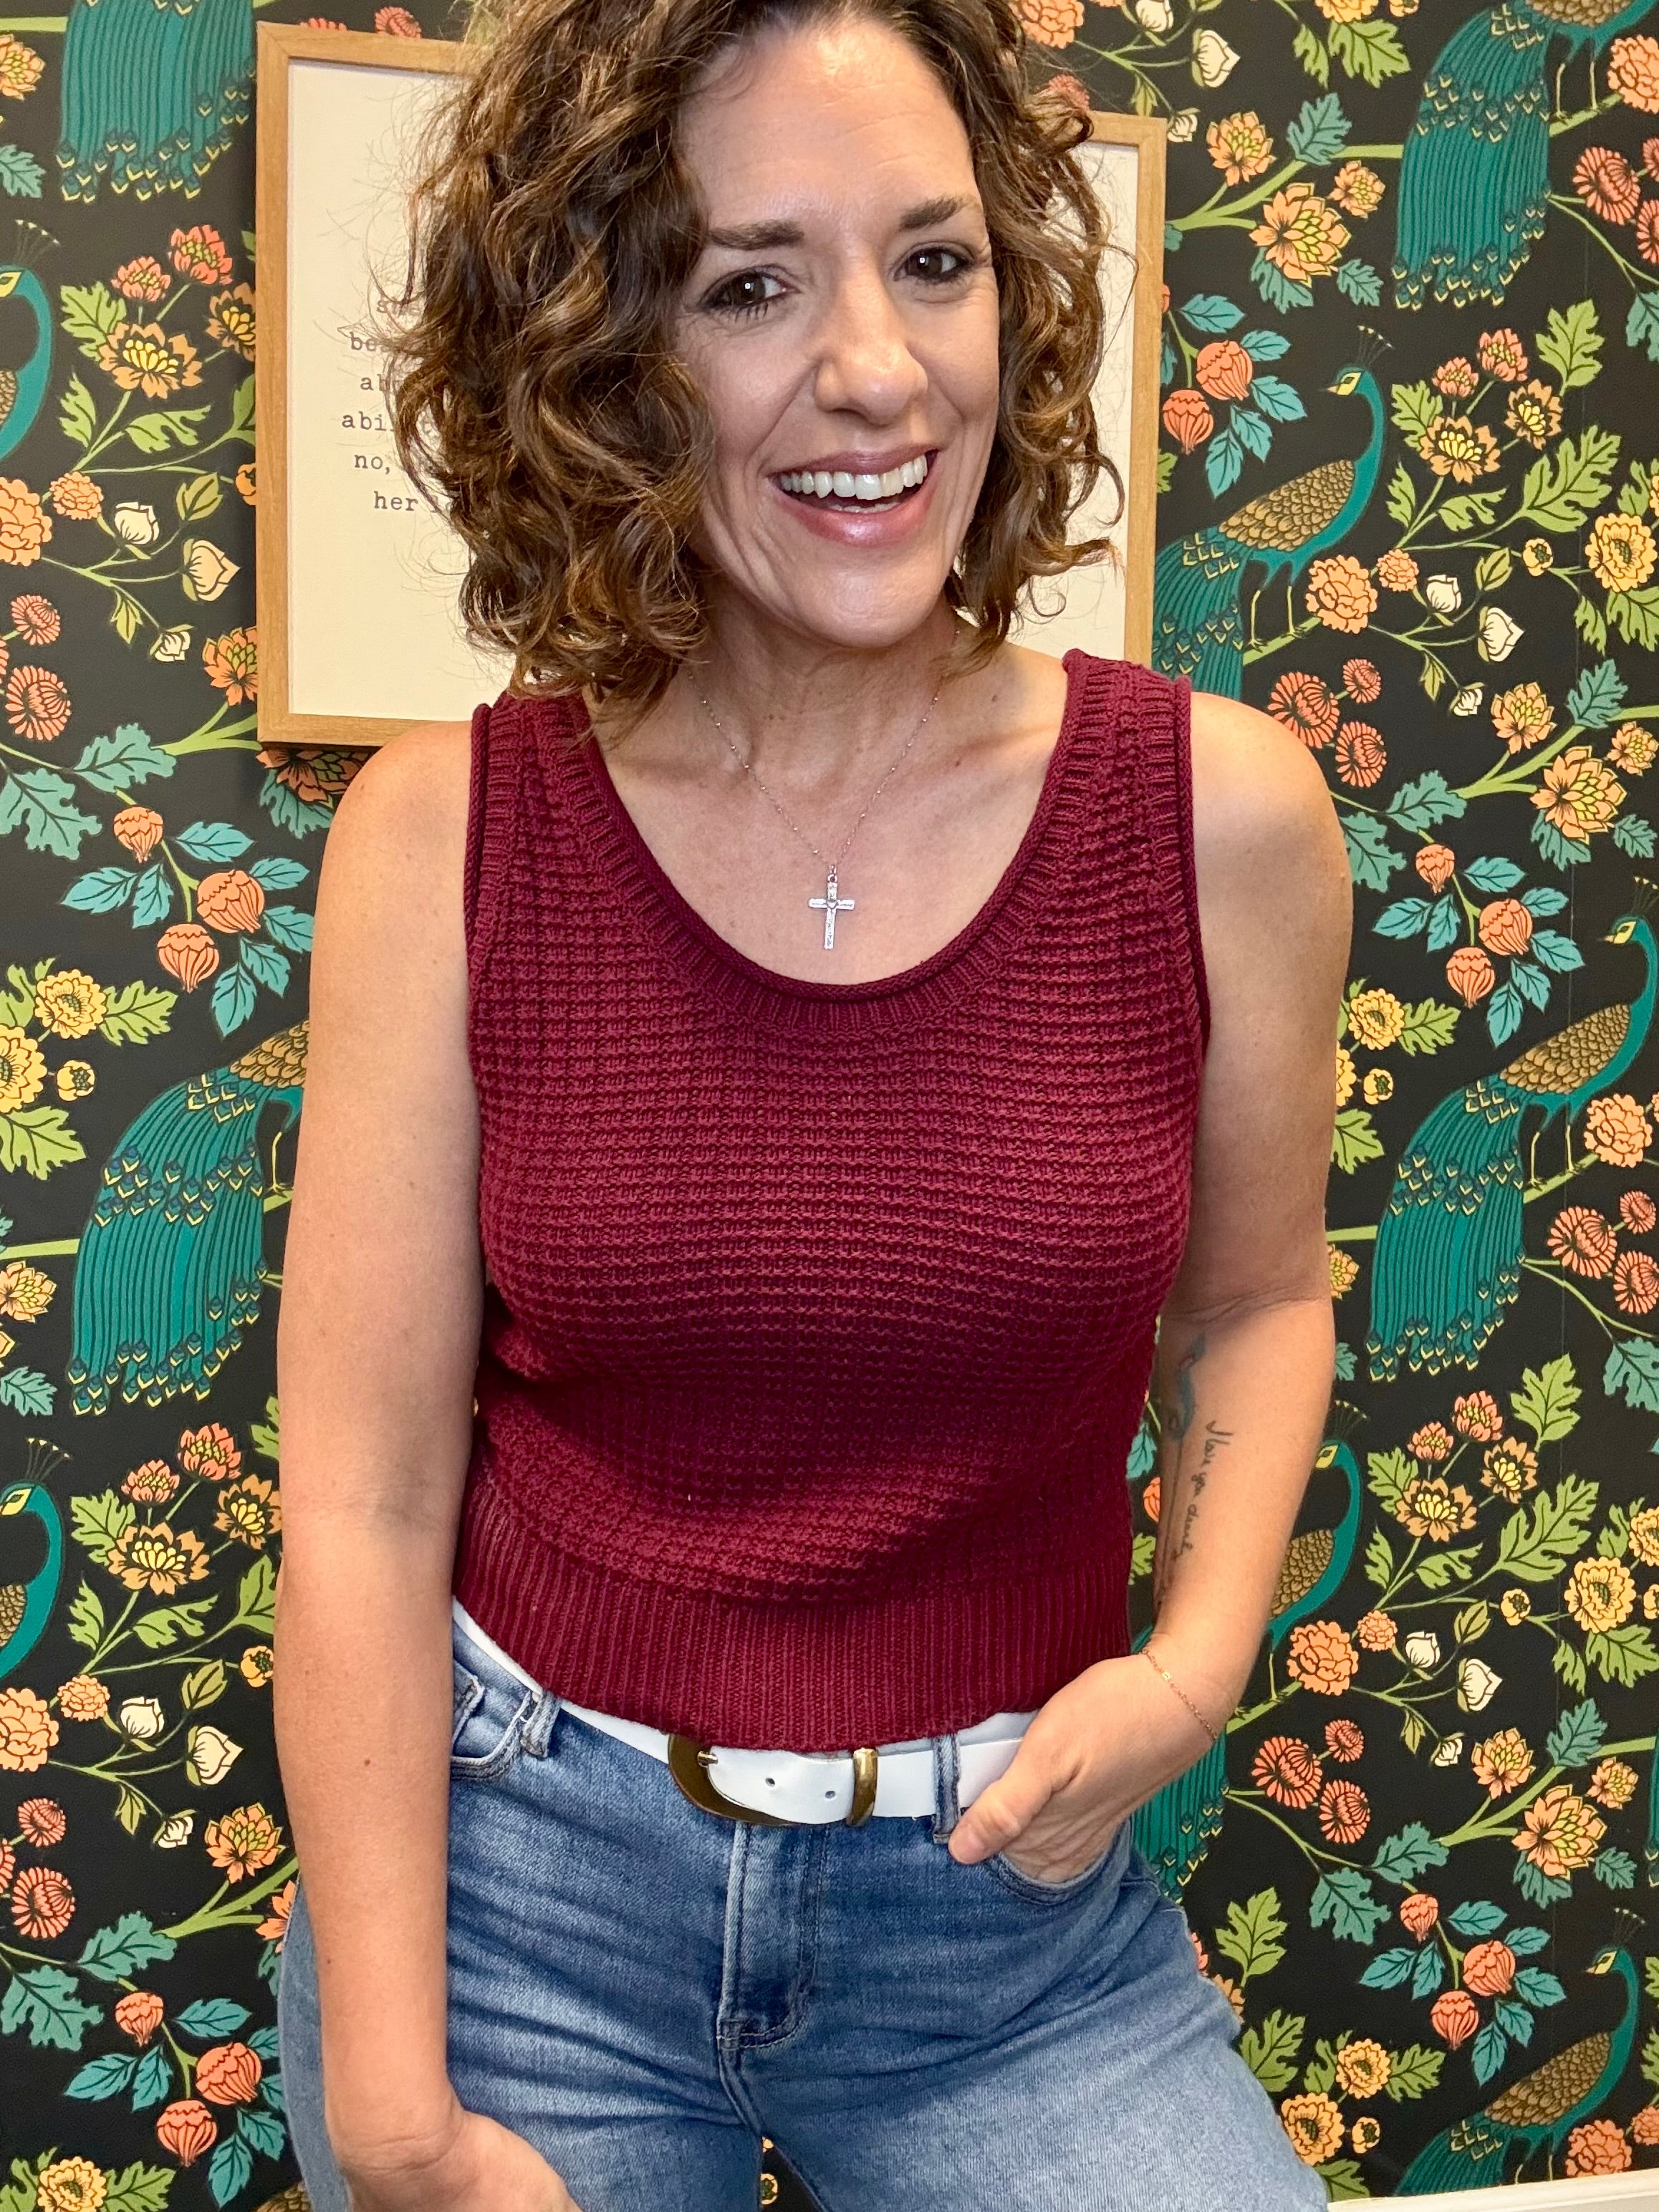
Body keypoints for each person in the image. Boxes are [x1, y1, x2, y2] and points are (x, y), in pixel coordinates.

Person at [271, 0, 1350, 2205]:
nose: (877, 370)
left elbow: (1254, 1302)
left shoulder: (1216, 816)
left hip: (1009, 1941)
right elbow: (365, 1499)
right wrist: (398, 2129)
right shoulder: (441, 840)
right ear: (603, 364)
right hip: (521, 1915)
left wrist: (1192, 1665)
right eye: (749, 283)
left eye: (932, 262)